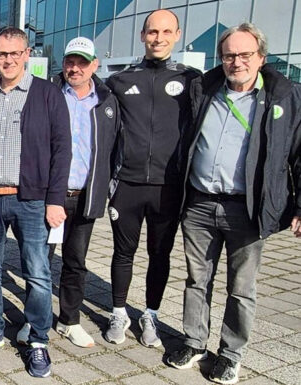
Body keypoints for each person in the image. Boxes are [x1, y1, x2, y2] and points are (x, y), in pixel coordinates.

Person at [166, 23, 301, 384]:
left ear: (261, 57)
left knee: (241, 288)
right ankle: (194, 342)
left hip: (248, 208)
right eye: (229, 55)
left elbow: (299, 154)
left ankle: (230, 353)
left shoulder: (283, 97)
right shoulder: (204, 90)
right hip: (198, 205)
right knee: (197, 279)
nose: (236, 61)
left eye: (244, 54)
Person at [0, 26, 71, 378]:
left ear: (27, 55)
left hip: (31, 200)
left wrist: (56, 200)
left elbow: (62, 149)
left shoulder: (47, 94)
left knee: (37, 274)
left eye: (14, 53)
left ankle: (38, 339)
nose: (7, 60)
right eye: (1, 54)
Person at [103, 9, 200, 347]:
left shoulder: (193, 80)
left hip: (167, 188)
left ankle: (151, 315)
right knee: (122, 253)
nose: (158, 38)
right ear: (142, 36)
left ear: (176, 35)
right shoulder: (120, 80)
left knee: (160, 254)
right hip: (126, 185)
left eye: (165, 32)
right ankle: (118, 313)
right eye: (152, 32)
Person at [17, 37, 118, 348]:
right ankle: (35, 320)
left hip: (85, 194)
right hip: (49, 195)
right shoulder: (46, 93)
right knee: (39, 262)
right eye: (70, 62)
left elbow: (115, 149)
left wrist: (109, 188)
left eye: (82, 63)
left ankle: (69, 320)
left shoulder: (107, 101)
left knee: (76, 261)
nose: (75, 68)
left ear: (94, 65)